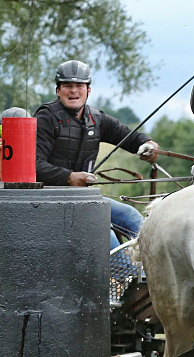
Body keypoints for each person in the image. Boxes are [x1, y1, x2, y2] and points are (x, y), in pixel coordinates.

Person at [34, 60, 160, 251]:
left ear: (88, 90)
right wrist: (68, 177)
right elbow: (34, 164)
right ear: (58, 90)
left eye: (79, 86)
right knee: (103, 231)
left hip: (86, 198)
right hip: (51, 199)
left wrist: (147, 143)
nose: (74, 91)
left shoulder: (96, 118)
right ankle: (123, 277)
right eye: (68, 85)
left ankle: (148, 272)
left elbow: (127, 137)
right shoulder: (46, 118)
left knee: (131, 216)